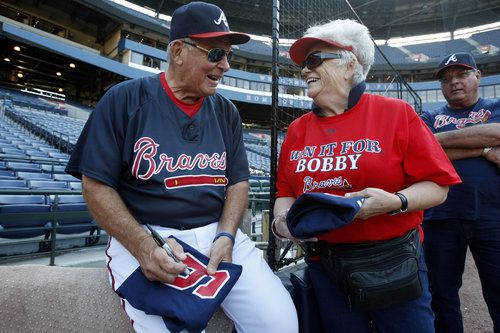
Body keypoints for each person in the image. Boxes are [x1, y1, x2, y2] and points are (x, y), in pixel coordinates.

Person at [65, 2, 298, 332]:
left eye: (228, 55)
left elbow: (237, 182)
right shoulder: (124, 99)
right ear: (177, 51)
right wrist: (144, 247)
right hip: (150, 235)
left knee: (281, 324)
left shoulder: (227, 112)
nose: (226, 65)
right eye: (216, 53)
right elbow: (95, 185)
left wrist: (228, 234)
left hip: (218, 234)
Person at [272, 18, 461, 333]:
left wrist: (395, 201)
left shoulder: (396, 113)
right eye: (304, 64)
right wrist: (282, 222)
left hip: (393, 264)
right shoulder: (297, 129)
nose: (305, 70)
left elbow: (439, 186)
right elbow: (285, 193)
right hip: (326, 267)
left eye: (314, 60)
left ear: (350, 65)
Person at [421, 52, 500, 333]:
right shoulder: (429, 115)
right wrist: (482, 148)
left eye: (462, 74)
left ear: (477, 76)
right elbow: (422, 149)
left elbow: (498, 132)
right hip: (440, 215)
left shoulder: (497, 106)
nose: (454, 82)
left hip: (493, 215)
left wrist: (438, 142)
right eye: (447, 78)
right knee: (441, 295)